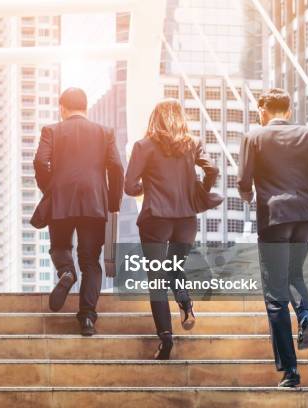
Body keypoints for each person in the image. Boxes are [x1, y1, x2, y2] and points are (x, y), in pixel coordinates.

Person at [238, 88, 308, 387]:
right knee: (293, 273)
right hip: (306, 217)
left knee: (275, 295)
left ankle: (291, 372)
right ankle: (307, 316)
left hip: (274, 218)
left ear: (263, 110)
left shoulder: (254, 137)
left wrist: (247, 194)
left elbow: (244, 181)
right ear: (288, 111)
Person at [124, 99, 219, 360]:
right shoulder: (192, 144)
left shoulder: (143, 146)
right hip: (186, 218)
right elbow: (213, 169)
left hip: (156, 218)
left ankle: (165, 339)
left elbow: (130, 186)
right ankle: (185, 301)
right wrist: (200, 190)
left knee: (156, 279)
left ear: (154, 119)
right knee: (174, 267)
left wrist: (146, 189)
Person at [33, 87, 124, 336]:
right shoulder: (104, 133)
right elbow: (116, 166)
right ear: (85, 108)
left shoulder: (51, 130)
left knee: (60, 247)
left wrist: (51, 188)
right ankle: (86, 318)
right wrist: (113, 201)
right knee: (91, 263)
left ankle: (66, 273)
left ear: (62, 108)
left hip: (61, 200)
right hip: (94, 203)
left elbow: (41, 162)